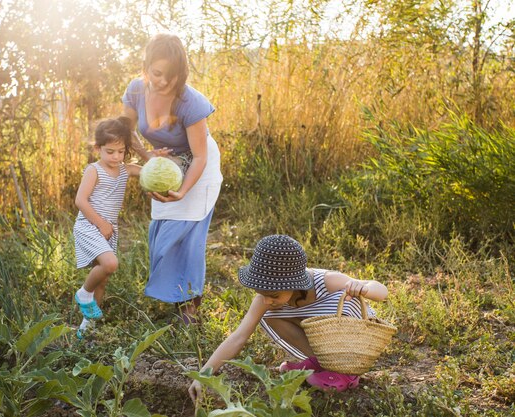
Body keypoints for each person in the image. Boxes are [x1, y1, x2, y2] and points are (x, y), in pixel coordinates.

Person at [188, 234, 389, 401]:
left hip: (350, 339)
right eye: (261, 292)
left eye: (273, 295)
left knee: (345, 302)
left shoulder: (327, 281)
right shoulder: (265, 299)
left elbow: (382, 292)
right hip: (322, 341)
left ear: (295, 283)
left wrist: (363, 288)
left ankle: (346, 371)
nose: (266, 300)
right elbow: (238, 337)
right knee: (271, 315)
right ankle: (322, 362)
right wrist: (203, 375)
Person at [122, 33, 223, 324]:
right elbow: (126, 129)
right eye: (157, 73)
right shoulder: (136, 90)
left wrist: (183, 190)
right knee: (164, 235)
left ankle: (190, 308)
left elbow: (200, 156)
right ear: (146, 66)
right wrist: (146, 157)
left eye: (172, 75)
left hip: (197, 169)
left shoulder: (190, 102)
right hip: (166, 165)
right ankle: (176, 294)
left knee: (187, 235)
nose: (163, 81)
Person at [73, 116, 141, 339]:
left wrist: (153, 156)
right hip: (90, 224)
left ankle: (87, 329)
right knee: (110, 264)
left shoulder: (123, 170)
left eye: (121, 151)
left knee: (102, 280)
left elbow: (147, 169)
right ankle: (83, 293)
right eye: (110, 151)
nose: (116, 157)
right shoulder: (94, 170)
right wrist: (101, 223)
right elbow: (80, 200)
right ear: (98, 148)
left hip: (108, 229)